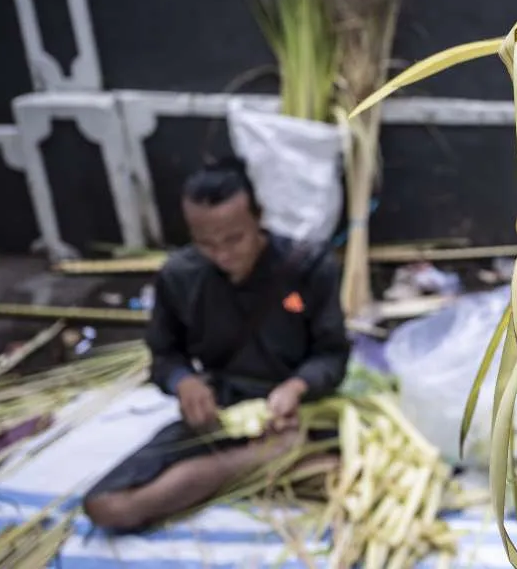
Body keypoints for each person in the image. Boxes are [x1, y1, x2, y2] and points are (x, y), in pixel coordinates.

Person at [82, 158, 349, 532]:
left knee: (349, 481)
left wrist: (296, 386)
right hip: (220, 412)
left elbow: (332, 354)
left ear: (259, 217)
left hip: (299, 414)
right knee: (107, 507)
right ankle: (266, 461)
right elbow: (164, 355)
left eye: (234, 239)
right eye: (206, 243)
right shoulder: (179, 276)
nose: (223, 254)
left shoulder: (309, 268)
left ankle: (244, 468)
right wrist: (183, 382)